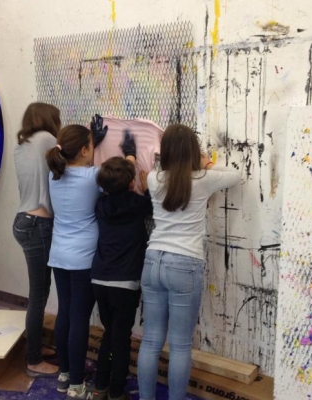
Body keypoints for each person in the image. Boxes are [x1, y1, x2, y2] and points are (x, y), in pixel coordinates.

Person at [137, 124, 241, 400]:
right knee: (180, 346)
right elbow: (236, 175)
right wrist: (207, 162)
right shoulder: (203, 179)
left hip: (153, 260)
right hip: (184, 264)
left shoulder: (154, 179)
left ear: (166, 151)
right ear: (193, 151)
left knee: (151, 341)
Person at [45, 118, 108, 400]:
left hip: (59, 254)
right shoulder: (93, 177)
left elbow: (76, 165)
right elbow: (115, 178)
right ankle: (76, 386)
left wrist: (91, 143)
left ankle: (65, 374)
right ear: (84, 150)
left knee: (65, 313)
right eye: (91, 146)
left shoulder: (54, 175)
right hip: (83, 257)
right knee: (80, 318)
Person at [90, 135, 153, 400]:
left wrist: (128, 158)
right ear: (131, 184)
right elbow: (152, 205)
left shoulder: (100, 205)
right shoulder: (138, 204)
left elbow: (117, 189)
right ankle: (116, 392)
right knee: (121, 338)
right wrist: (147, 188)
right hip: (125, 283)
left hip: (99, 280)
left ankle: (100, 387)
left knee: (110, 334)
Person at [12, 102, 61, 377]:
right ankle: (33, 361)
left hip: (23, 220)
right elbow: (70, 158)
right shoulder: (46, 139)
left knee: (38, 292)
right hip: (38, 225)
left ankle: (36, 348)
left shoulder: (22, 146)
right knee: (39, 295)